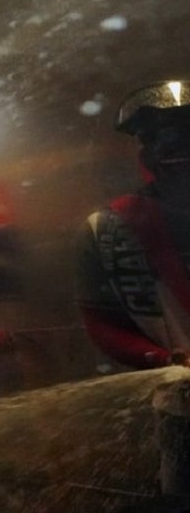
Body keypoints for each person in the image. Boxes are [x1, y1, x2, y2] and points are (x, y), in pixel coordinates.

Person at [77, 79, 190, 370]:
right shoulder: (110, 228)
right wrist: (167, 360)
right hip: (177, 397)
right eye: (158, 137)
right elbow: (102, 323)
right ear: (146, 154)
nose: (176, 147)